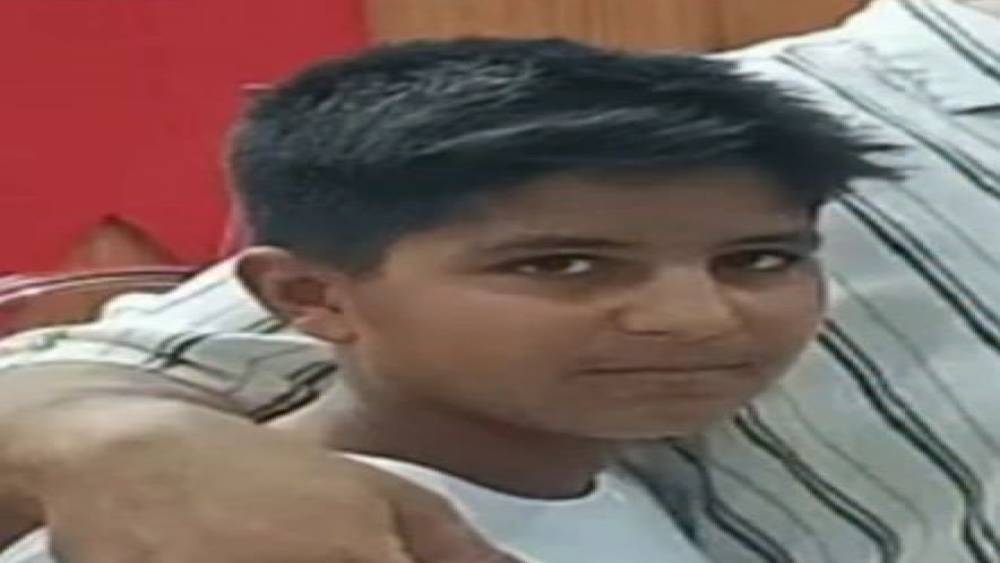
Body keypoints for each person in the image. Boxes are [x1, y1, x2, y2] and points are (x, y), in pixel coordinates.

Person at [0, 0, 997, 562]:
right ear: (306, 297)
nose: (691, 314)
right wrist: (109, 434)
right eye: (564, 267)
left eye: (759, 260)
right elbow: (100, 372)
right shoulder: (282, 526)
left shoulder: (603, 505)